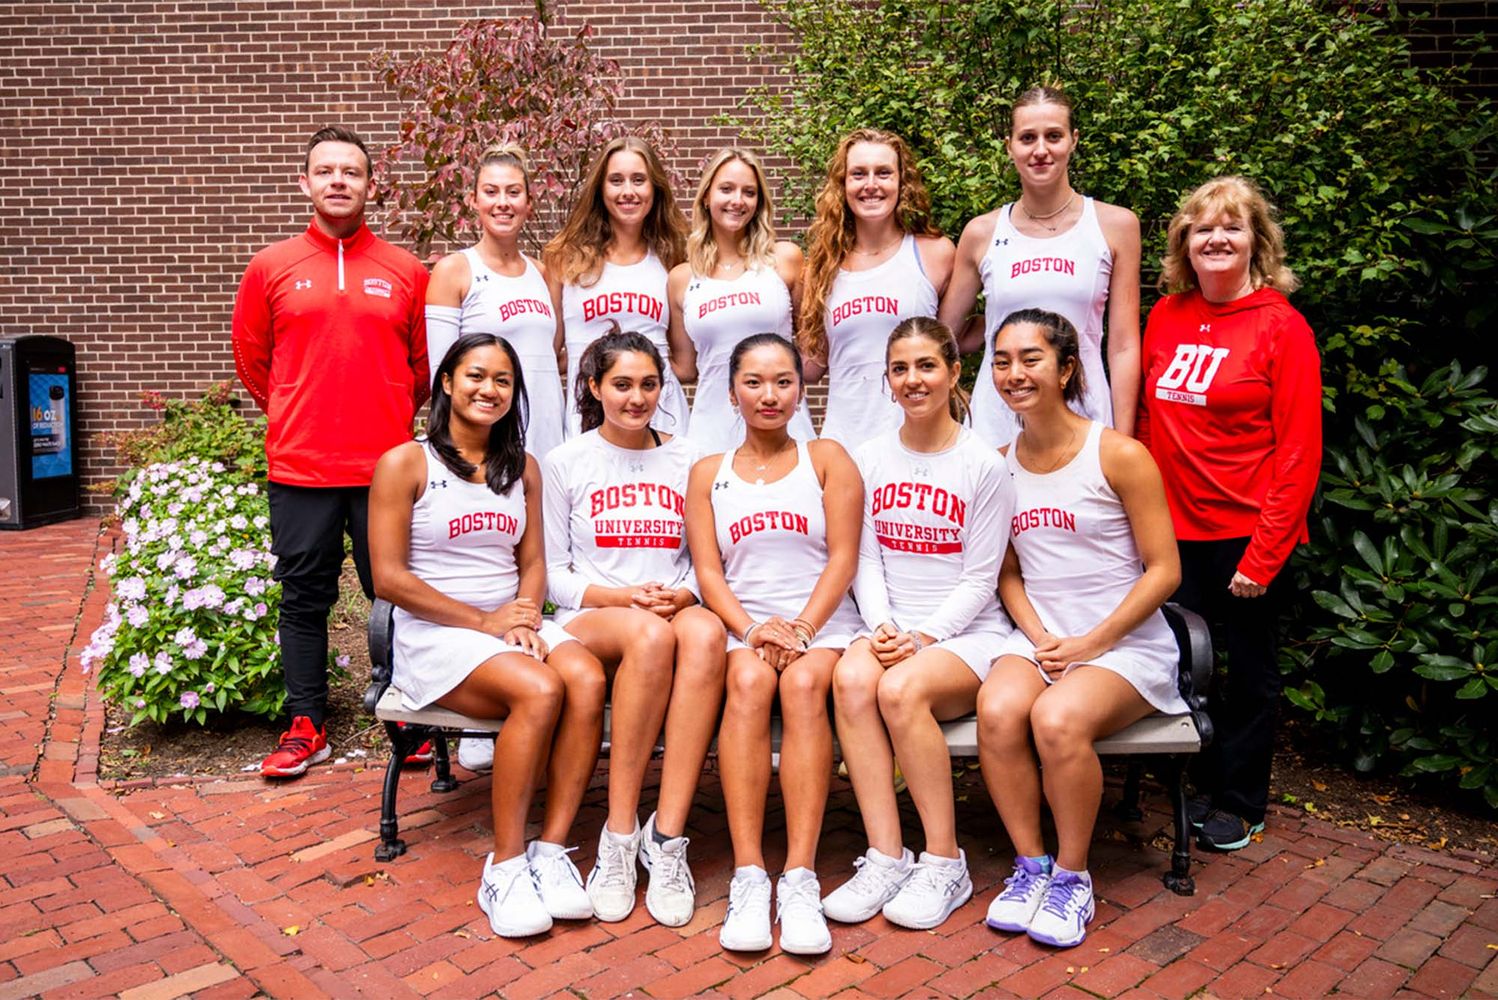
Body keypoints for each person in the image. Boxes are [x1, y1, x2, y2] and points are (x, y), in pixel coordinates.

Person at [366, 333, 599, 938]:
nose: (488, 389)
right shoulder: (406, 464)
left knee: (587, 675)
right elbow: (388, 578)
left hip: (509, 625)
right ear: (447, 382)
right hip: (439, 633)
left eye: (502, 380)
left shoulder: (522, 468)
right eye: (475, 376)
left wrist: (522, 613)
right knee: (542, 691)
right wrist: (486, 623)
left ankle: (550, 851)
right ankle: (506, 864)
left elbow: (533, 563)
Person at [977, 309, 1186, 949]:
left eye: (1031, 359)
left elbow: (1165, 570)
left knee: (1058, 720)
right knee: (997, 708)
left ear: (1067, 368)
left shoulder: (1118, 454)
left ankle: (1072, 876)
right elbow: (1006, 571)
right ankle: (1030, 866)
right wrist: (1042, 638)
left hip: (1124, 642)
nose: (1015, 373)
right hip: (1043, 636)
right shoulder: (996, 462)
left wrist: (1092, 643)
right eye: (1003, 360)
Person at [232, 126, 431, 778]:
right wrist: (301, 409)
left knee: (393, 595)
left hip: (385, 470)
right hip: (302, 466)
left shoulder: (406, 272)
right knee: (303, 600)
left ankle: (409, 714)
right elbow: (255, 362)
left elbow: (422, 370)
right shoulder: (271, 266)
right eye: (326, 171)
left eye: (351, 171)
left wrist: (386, 418)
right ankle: (305, 723)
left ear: (372, 185)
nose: (339, 180)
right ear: (306, 183)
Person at [1137, 175, 1322, 852]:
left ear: (1256, 242)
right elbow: (1148, 422)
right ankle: (1189, 782)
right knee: (1178, 661)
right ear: (1185, 242)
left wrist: (1264, 554)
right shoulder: (1167, 314)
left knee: (1246, 673)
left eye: (1232, 227)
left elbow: (1299, 452)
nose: (1216, 239)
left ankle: (1240, 802)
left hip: (1245, 532)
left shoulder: (1282, 327)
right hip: (1171, 531)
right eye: (1202, 228)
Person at [826, 317, 1015, 931]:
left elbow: (981, 578)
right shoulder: (871, 458)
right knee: (852, 681)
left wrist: (923, 637)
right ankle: (886, 854)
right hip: (890, 622)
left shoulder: (983, 464)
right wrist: (881, 625)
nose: (914, 380)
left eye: (927, 366)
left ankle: (944, 859)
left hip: (965, 633)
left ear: (954, 372)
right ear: (887, 379)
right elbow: (866, 555)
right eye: (900, 369)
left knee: (901, 689)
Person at [684, 333, 864, 955]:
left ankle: (800, 876)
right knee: (750, 681)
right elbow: (708, 572)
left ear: (801, 388)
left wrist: (805, 630)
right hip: (747, 627)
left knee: (807, 682)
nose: (769, 395)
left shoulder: (827, 457)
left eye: (783, 381)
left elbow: (843, 558)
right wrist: (753, 629)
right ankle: (749, 873)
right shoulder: (709, 473)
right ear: (732, 391)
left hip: (823, 623)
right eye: (754, 382)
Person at [542, 329, 728, 926]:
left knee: (704, 634)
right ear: (595, 387)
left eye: (649, 384)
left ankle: (667, 837)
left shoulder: (690, 458)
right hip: (594, 615)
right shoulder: (566, 461)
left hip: (673, 609)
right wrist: (623, 598)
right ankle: (619, 834)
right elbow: (552, 574)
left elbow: (706, 562)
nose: (636, 397)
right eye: (621, 384)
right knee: (649, 634)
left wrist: (684, 595)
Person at [939, 86, 1143, 445]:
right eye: (1027, 138)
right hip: (999, 423)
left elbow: (1124, 344)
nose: (1041, 150)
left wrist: (1123, 440)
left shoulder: (1116, 225)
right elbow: (944, 337)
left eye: (1054, 136)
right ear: (1009, 146)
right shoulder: (982, 232)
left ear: (1073, 140)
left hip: (1084, 414)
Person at [800, 128, 954, 450]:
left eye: (883, 173)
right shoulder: (822, 267)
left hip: (917, 440)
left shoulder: (934, 253)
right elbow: (811, 366)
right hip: (845, 442)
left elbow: (954, 337)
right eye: (858, 174)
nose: (871, 184)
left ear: (902, 182)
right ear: (843, 185)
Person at [668, 147, 816, 452]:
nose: (738, 200)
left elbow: (810, 349)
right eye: (726, 189)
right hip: (712, 428)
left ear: (759, 202)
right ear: (707, 197)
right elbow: (685, 367)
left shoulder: (785, 259)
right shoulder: (682, 278)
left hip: (784, 421)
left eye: (749, 192)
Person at [426, 144, 566, 463]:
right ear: (473, 200)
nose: (502, 203)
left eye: (513, 192)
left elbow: (549, 358)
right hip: (487, 442)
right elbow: (441, 376)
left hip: (548, 438)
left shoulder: (542, 273)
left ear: (529, 204)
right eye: (491, 191)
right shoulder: (454, 271)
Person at [546, 137, 690, 440]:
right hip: (587, 419)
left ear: (655, 189)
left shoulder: (674, 256)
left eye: (639, 180)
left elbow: (684, 364)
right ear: (600, 189)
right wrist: (580, 362)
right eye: (616, 180)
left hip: (660, 418)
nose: (628, 191)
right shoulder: (564, 257)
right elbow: (548, 351)